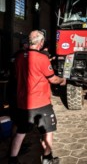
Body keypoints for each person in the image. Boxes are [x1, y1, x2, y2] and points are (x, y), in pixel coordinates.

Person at [8, 30, 66, 164]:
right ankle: (47, 158)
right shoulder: (42, 58)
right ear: (40, 42)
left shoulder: (19, 57)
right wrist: (63, 80)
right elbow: (53, 79)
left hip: (23, 103)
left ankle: (12, 159)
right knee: (48, 131)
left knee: (21, 132)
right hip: (41, 103)